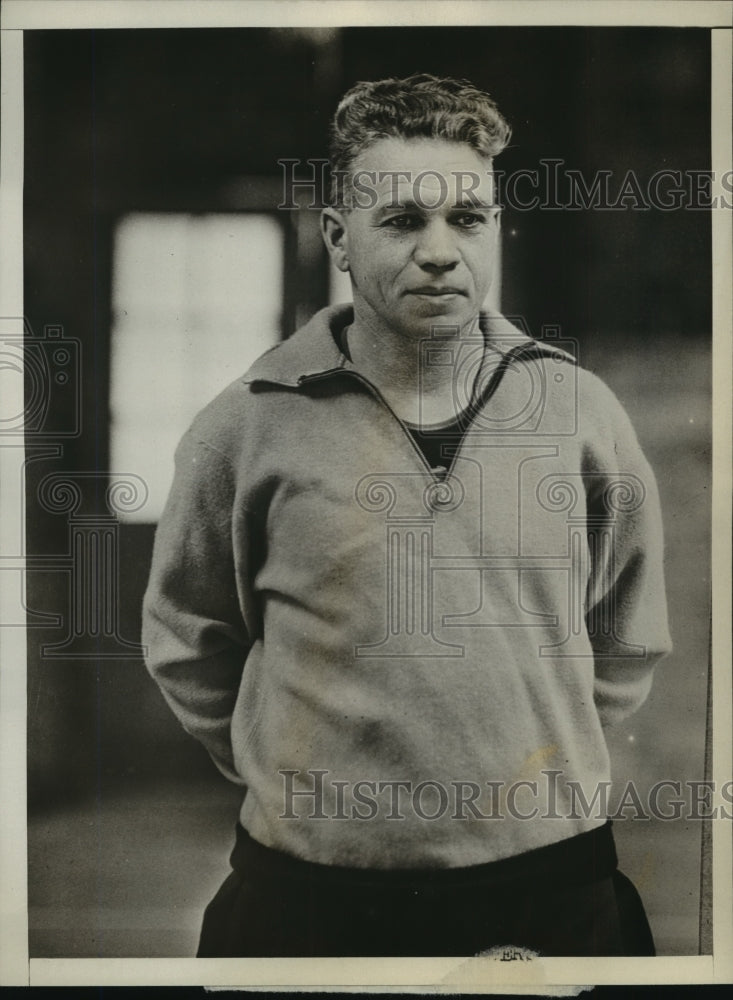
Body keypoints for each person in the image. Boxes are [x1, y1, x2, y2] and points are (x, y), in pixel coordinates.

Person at [142, 73, 672, 958]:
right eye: (400, 221)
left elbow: (627, 628)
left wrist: (535, 743)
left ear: (494, 227)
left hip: (548, 886)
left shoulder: (579, 410)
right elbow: (188, 637)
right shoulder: (244, 423)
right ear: (338, 238)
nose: (439, 250)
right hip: (307, 896)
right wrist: (300, 773)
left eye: (466, 219)